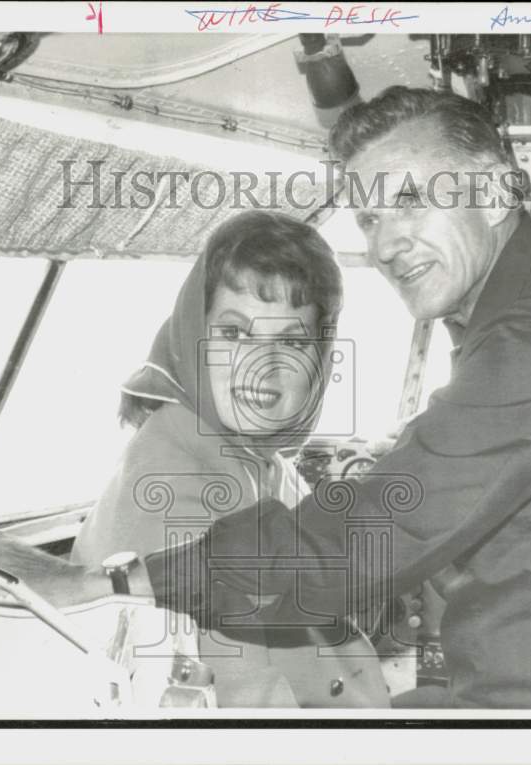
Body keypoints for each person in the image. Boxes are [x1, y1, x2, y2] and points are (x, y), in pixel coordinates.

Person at [137, 87, 531, 709]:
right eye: (370, 219)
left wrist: (121, 578)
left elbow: (369, 538)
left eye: (408, 202)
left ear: (490, 194)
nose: (384, 246)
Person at [72, 210, 389, 708]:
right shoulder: (169, 477)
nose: (263, 367)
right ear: (194, 337)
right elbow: (243, 707)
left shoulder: (265, 464)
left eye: (291, 340)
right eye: (235, 334)